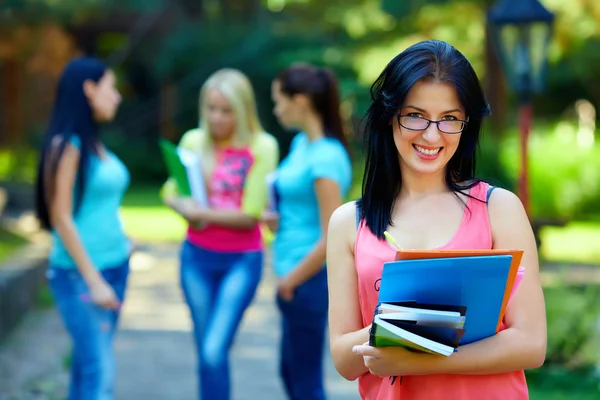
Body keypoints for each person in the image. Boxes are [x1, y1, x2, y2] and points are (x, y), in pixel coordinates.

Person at [326, 40, 547, 400]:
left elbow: (531, 343)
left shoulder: (498, 209)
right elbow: (343, 359)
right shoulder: (348, 223)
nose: (432, 135)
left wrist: (413, 355)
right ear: (389, 115)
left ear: (466, 123)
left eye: (449, 119)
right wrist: (409, 324)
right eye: (415, 114)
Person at [161, 68, 279, 400]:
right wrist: (181, 206)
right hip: (195, 258)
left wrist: (201, 214)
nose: (216, 117)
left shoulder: (262, 146)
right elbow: (169, 190)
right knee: (207, 355)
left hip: (241, 260)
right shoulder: (192, 141)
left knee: (214, 350)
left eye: (225, 110)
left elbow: (250, 214)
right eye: (211, 108)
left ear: (242, 111)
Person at [34, 57, 130, 400]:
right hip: (81, 278)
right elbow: (61, 218)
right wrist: (94, 280)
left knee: (86, 369)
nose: (117, 97)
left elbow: (99, 207)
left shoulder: (94, 145)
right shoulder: (66, 145)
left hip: (115, 266)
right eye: (111, 87)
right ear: (90, 89)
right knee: (99, 376)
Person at [268, 63, 353, 400]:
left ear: (299, 100)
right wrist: (278, 219)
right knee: (290, 372)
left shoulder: (326, 159)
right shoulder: (301, 145)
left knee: (304, 382)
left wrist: (291, 280)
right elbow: (300, 206)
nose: (277, 109)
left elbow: (333, 234)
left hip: (307, 280)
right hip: (292, 275)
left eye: (279, 100)